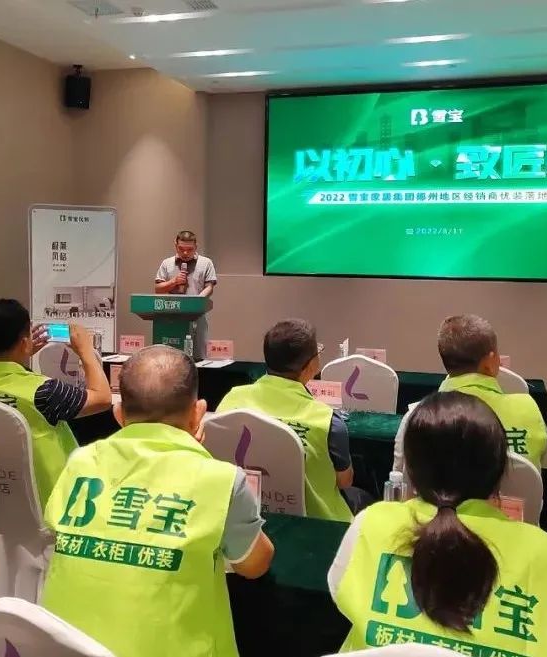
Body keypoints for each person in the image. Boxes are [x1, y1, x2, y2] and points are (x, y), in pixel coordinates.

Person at [329, 391, 547, 654]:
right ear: (500, 472)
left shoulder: (371, 522)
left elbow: (339, 590)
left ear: (410, 471)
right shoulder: (539, 548)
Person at [41, 345, 273, 656]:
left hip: (64, 648)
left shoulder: (80, 461)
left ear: (119, 415)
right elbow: (254, 564)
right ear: (198, 413)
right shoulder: (220, 480)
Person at [0, 299, 111, 509]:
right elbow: (103, 399)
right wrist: (86, 350)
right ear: (24, 342)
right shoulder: (44, 391)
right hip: (48, 502)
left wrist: (21, 355)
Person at [218, 319, 358, 521]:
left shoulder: (231, 400)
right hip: (316, 526)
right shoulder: (328, 421)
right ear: (311, 364)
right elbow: (344, 481)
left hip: (240, 516)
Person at [395, 315, 547, 477]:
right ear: (489, 363)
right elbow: (546, 464)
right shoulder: (528, 408)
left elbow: (399, 478)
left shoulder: (416, 415)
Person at [154, 230, 217, 359]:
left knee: (198, 356)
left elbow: (209, 287)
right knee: (171, 357)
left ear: (196, 247)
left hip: (197, 316)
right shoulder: (167, 263)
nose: (185, 253)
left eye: (190, 249)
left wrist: (195, 303)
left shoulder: (206, 263)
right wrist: (174, 281)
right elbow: (158, 288)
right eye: (181, 249)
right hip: (172, 315)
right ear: (175, 245)